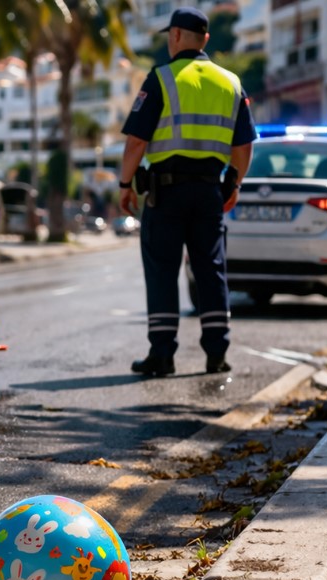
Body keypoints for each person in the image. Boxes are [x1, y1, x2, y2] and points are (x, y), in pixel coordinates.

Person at [118, 7, 255, 377]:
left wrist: (124, 184)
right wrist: (235, 184)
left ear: (175, 36)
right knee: (210, 269)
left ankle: (162, 356)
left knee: (163, 269)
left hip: (165, 194)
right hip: (210, 192)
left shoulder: (161, 78)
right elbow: (244, 149)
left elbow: (136, 142)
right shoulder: (230, 82)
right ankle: (216, 354)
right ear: (205, 39)